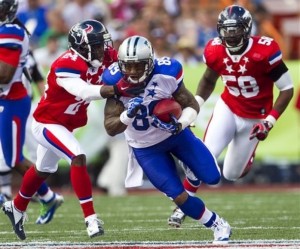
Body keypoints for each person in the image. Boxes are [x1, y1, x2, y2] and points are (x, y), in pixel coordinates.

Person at [2, 19, 144, 240]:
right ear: (82, 47)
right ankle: (91, 219)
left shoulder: (105, 57)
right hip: (47, 123)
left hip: (66, 123)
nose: (103, 49)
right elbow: (85, 91)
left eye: (103, 44)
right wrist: (118, 88)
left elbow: (125, 65)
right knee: (77, 156)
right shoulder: (66, 64)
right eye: (97, 45)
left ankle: (17, 206)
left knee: (43, 169)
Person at [168, 4, 294, 227]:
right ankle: (182, 207)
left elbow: (286, 89)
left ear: (246, 30)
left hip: (255, 117)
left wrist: (269, 122)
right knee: (204, 155)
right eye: (226, 30)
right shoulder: (215, 49)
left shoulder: (264, 51)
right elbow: (208, 79)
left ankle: (248, 156)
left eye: (235, 30)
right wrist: (195, 106)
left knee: (232, 173)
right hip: (228, 106)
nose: (230, 36)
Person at [103, 35, 232, 244]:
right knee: (178, 196)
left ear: (150, 62)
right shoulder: (113, 82)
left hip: (175, 135)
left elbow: (192, 105)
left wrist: (179, 124)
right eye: (128, 66)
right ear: (120, 64)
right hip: (146, 148)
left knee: (213, 177)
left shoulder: (167, 72)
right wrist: (127, 115)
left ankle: (191, 171)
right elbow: (110, 127)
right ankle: (217, 224)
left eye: (139, 66)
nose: (133, 72)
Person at [0, 0, 63, 224]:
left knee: (14, 159)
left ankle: (47, 196)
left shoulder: (10, 31)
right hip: (7, 99)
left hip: (12, 100)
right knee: (12, 157)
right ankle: (48, 196)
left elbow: (5, 75)